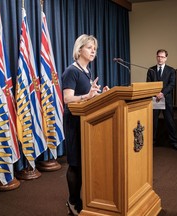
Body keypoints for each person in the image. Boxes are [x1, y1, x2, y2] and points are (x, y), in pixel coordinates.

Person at [61, 34, 109, 215]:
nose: (93, 51)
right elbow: (67, 99)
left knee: (83, 162)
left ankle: (82, 197)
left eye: (94, 49)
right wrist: (87, 96)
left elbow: (87, 96)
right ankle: (73, 201)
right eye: (90, 48)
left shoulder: (86, 72)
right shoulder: (71, 71)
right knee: (75, 163)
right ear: (79, 49)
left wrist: (100, 94)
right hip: (74, 121)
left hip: (86, 121)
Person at [146, 49, 177, 152]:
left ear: (166, 58)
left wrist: (162, 93)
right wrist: (155, 94)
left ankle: (174, 143)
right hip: (155, 99)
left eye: (162, 57)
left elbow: (172, 84)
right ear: (156, 57)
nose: (160, 59)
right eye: (158, 56)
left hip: (166, 99)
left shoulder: (171, 70)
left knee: (170, 121)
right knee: (153, 122)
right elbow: (148, 84)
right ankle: (151, 142)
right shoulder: (151, 70)